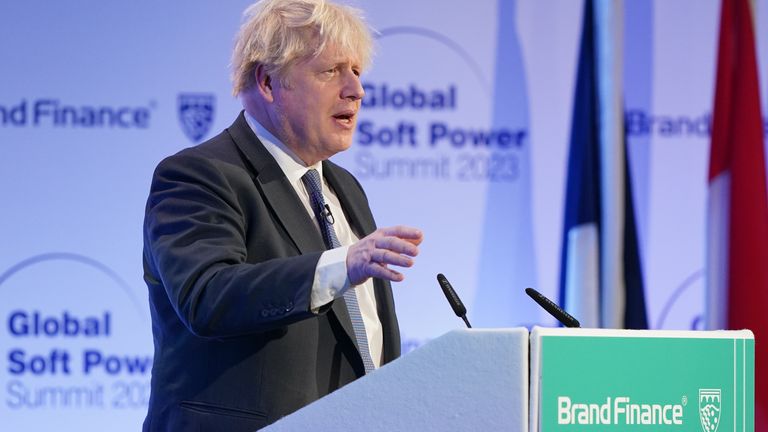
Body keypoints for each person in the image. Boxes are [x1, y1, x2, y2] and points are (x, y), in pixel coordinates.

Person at [141, 0, 423, 430]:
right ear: (269, 82)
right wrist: (342, 264)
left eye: (357, 72)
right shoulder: (199, 175)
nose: (355, 90)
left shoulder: (345, 187)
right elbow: (207, 296)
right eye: (331, 71)